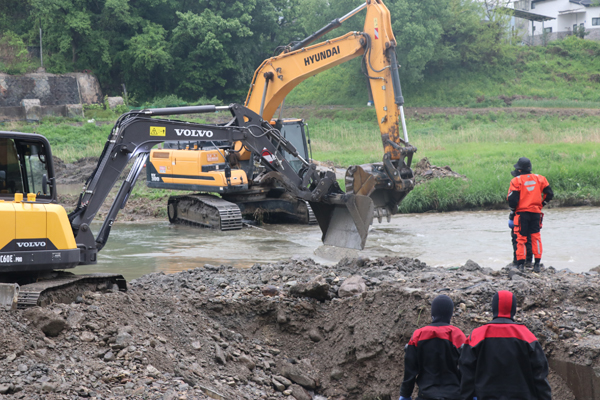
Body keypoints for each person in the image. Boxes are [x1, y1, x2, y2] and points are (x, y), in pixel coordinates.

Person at [459, 291, 552, 400]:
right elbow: (540, 375)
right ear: (513, 309)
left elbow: (466, 374)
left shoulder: (476, 336)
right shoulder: (527, 336)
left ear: (493, 307)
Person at [399, 295, 466, 400]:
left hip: (426, 395)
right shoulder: (457, 335)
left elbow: (410, 369)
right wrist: (473, 394)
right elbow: (467, 368)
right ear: (450, 314)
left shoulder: (418, 335)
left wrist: (405, 394)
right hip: (454, 395)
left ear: (432, 313)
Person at [507, 157, 553, 272]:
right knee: (536, 238)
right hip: (536, 213)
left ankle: (521, 265)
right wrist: (541, 204)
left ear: (519, 169)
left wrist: (513, 210)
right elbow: (549, 194)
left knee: (521, 238)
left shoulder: (516, 181)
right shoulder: (540, 178)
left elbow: (512, 199)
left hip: (522, 214)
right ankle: (537, 264)